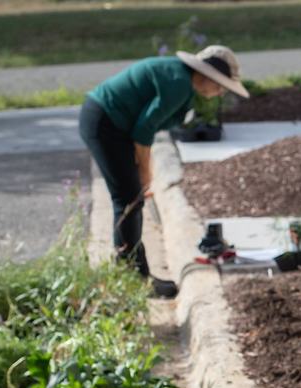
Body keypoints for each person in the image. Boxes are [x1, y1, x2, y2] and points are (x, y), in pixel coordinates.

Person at [79, 45, 249, 297]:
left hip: (110, 122)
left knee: (130, 198)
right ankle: (133, 280)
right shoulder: (178, 83)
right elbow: (143, 131)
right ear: (206, 76)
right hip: (105, 123)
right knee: (128, 199)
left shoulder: (179, 77)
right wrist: (146, 174)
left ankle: (130, 275)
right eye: (221, 85)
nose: (221, 92)